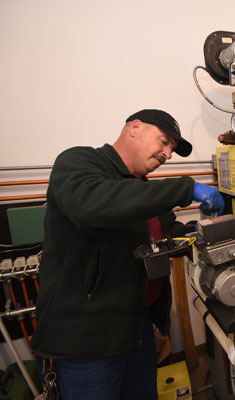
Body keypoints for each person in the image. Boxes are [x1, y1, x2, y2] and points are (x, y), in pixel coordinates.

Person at [31, 109, 224, 399]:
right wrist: (185, 188)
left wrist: (205, 230)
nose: (167, 154)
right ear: (134, 127)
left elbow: (167, 233)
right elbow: (91, 206)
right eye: (163, 142)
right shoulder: (79, 162)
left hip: (138, 329)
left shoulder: (141, 190)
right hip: (86, 343)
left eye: (171, 148)